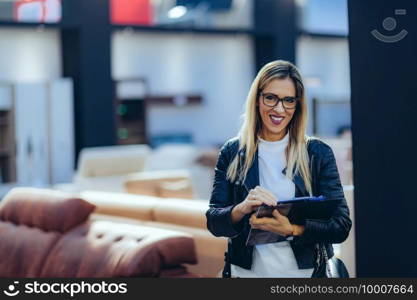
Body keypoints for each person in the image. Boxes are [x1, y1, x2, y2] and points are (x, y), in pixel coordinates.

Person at [205, 60, 352, 278]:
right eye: (271, 98)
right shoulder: (233, 151)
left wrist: (292, 230)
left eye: (288, 100)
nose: (279, 109)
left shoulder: (317, 154)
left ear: (298, 104)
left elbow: (341, 226)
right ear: (257, 99)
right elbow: (214, 222)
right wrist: (242, 208)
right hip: (245, 275)